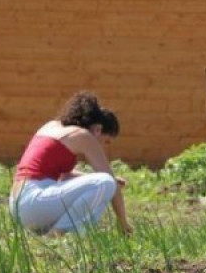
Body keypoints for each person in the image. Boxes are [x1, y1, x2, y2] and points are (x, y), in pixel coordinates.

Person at [9, 91, 133, 236]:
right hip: (33, 202)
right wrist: (123, 223)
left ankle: (52, 231)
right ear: (98, 129)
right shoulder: (83, 136)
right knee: (106, 182)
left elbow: (64, 176)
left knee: (104, 182)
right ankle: (59, 234)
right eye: (106, 141)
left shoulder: (52, 126)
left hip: (19, 206)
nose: (103, 146)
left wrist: (91, 180)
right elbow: (108, 181)